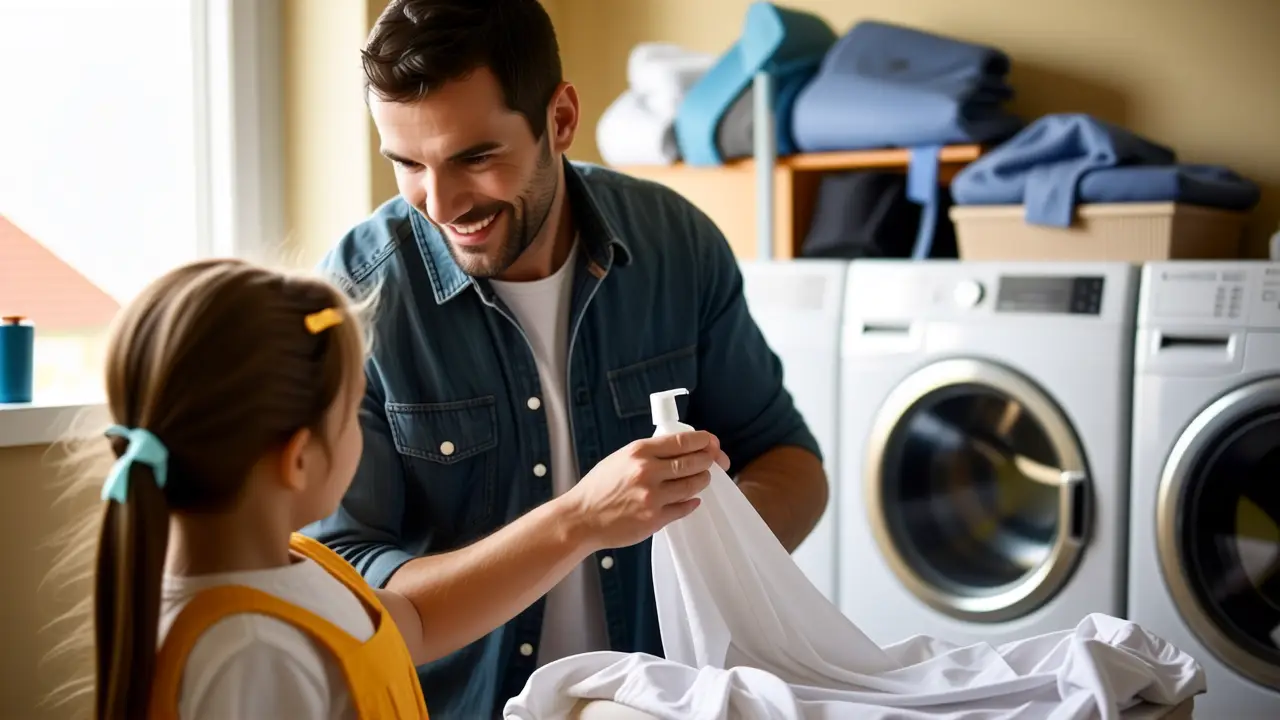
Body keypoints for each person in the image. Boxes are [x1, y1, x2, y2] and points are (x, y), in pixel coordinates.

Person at [305, 0, 829, 717]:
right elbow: (351, 597)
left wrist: (713, 539)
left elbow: (792, 463)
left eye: (475, 157)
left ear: (559, 119)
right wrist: (581, 518)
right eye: (407, 164)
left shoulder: (677, 244)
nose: (440, 200)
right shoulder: (361, 297)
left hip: (663, 702)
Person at [53, 259, 440, 719]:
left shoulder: (300, 562)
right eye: (353, 411)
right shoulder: (249, 651)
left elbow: (411, 626)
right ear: (298, 458)